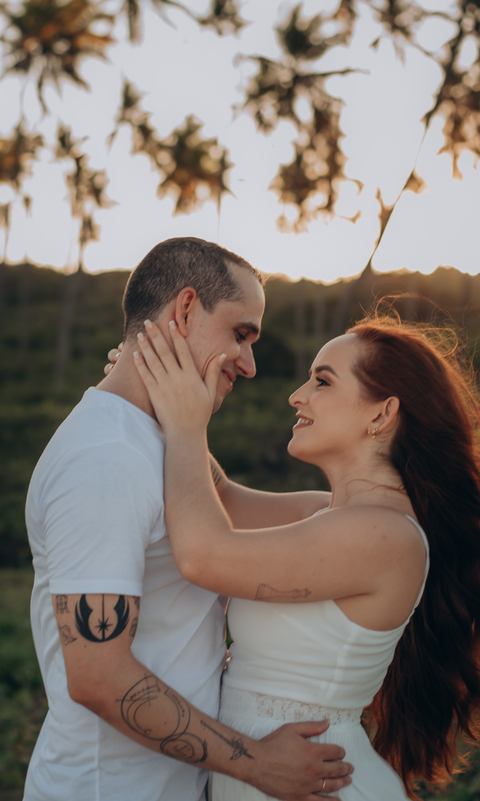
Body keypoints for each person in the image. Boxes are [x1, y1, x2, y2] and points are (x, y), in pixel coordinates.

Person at [128, 313, 480, 800]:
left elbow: (202, 556)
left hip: (314, 782)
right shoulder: (324, 515)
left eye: (322, 381)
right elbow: (219, 496)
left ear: (382, 414)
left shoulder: (384, 536)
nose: (297, 396)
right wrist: (149, 391)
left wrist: (186, 422)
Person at [23, 237, 354, 801]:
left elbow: (245, 510)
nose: (249, 364)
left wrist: (381, 505)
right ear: (184, 310)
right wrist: (256, 763)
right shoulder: (105, 457)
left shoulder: (160, 439)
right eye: (240, 334)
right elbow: (98, 676)